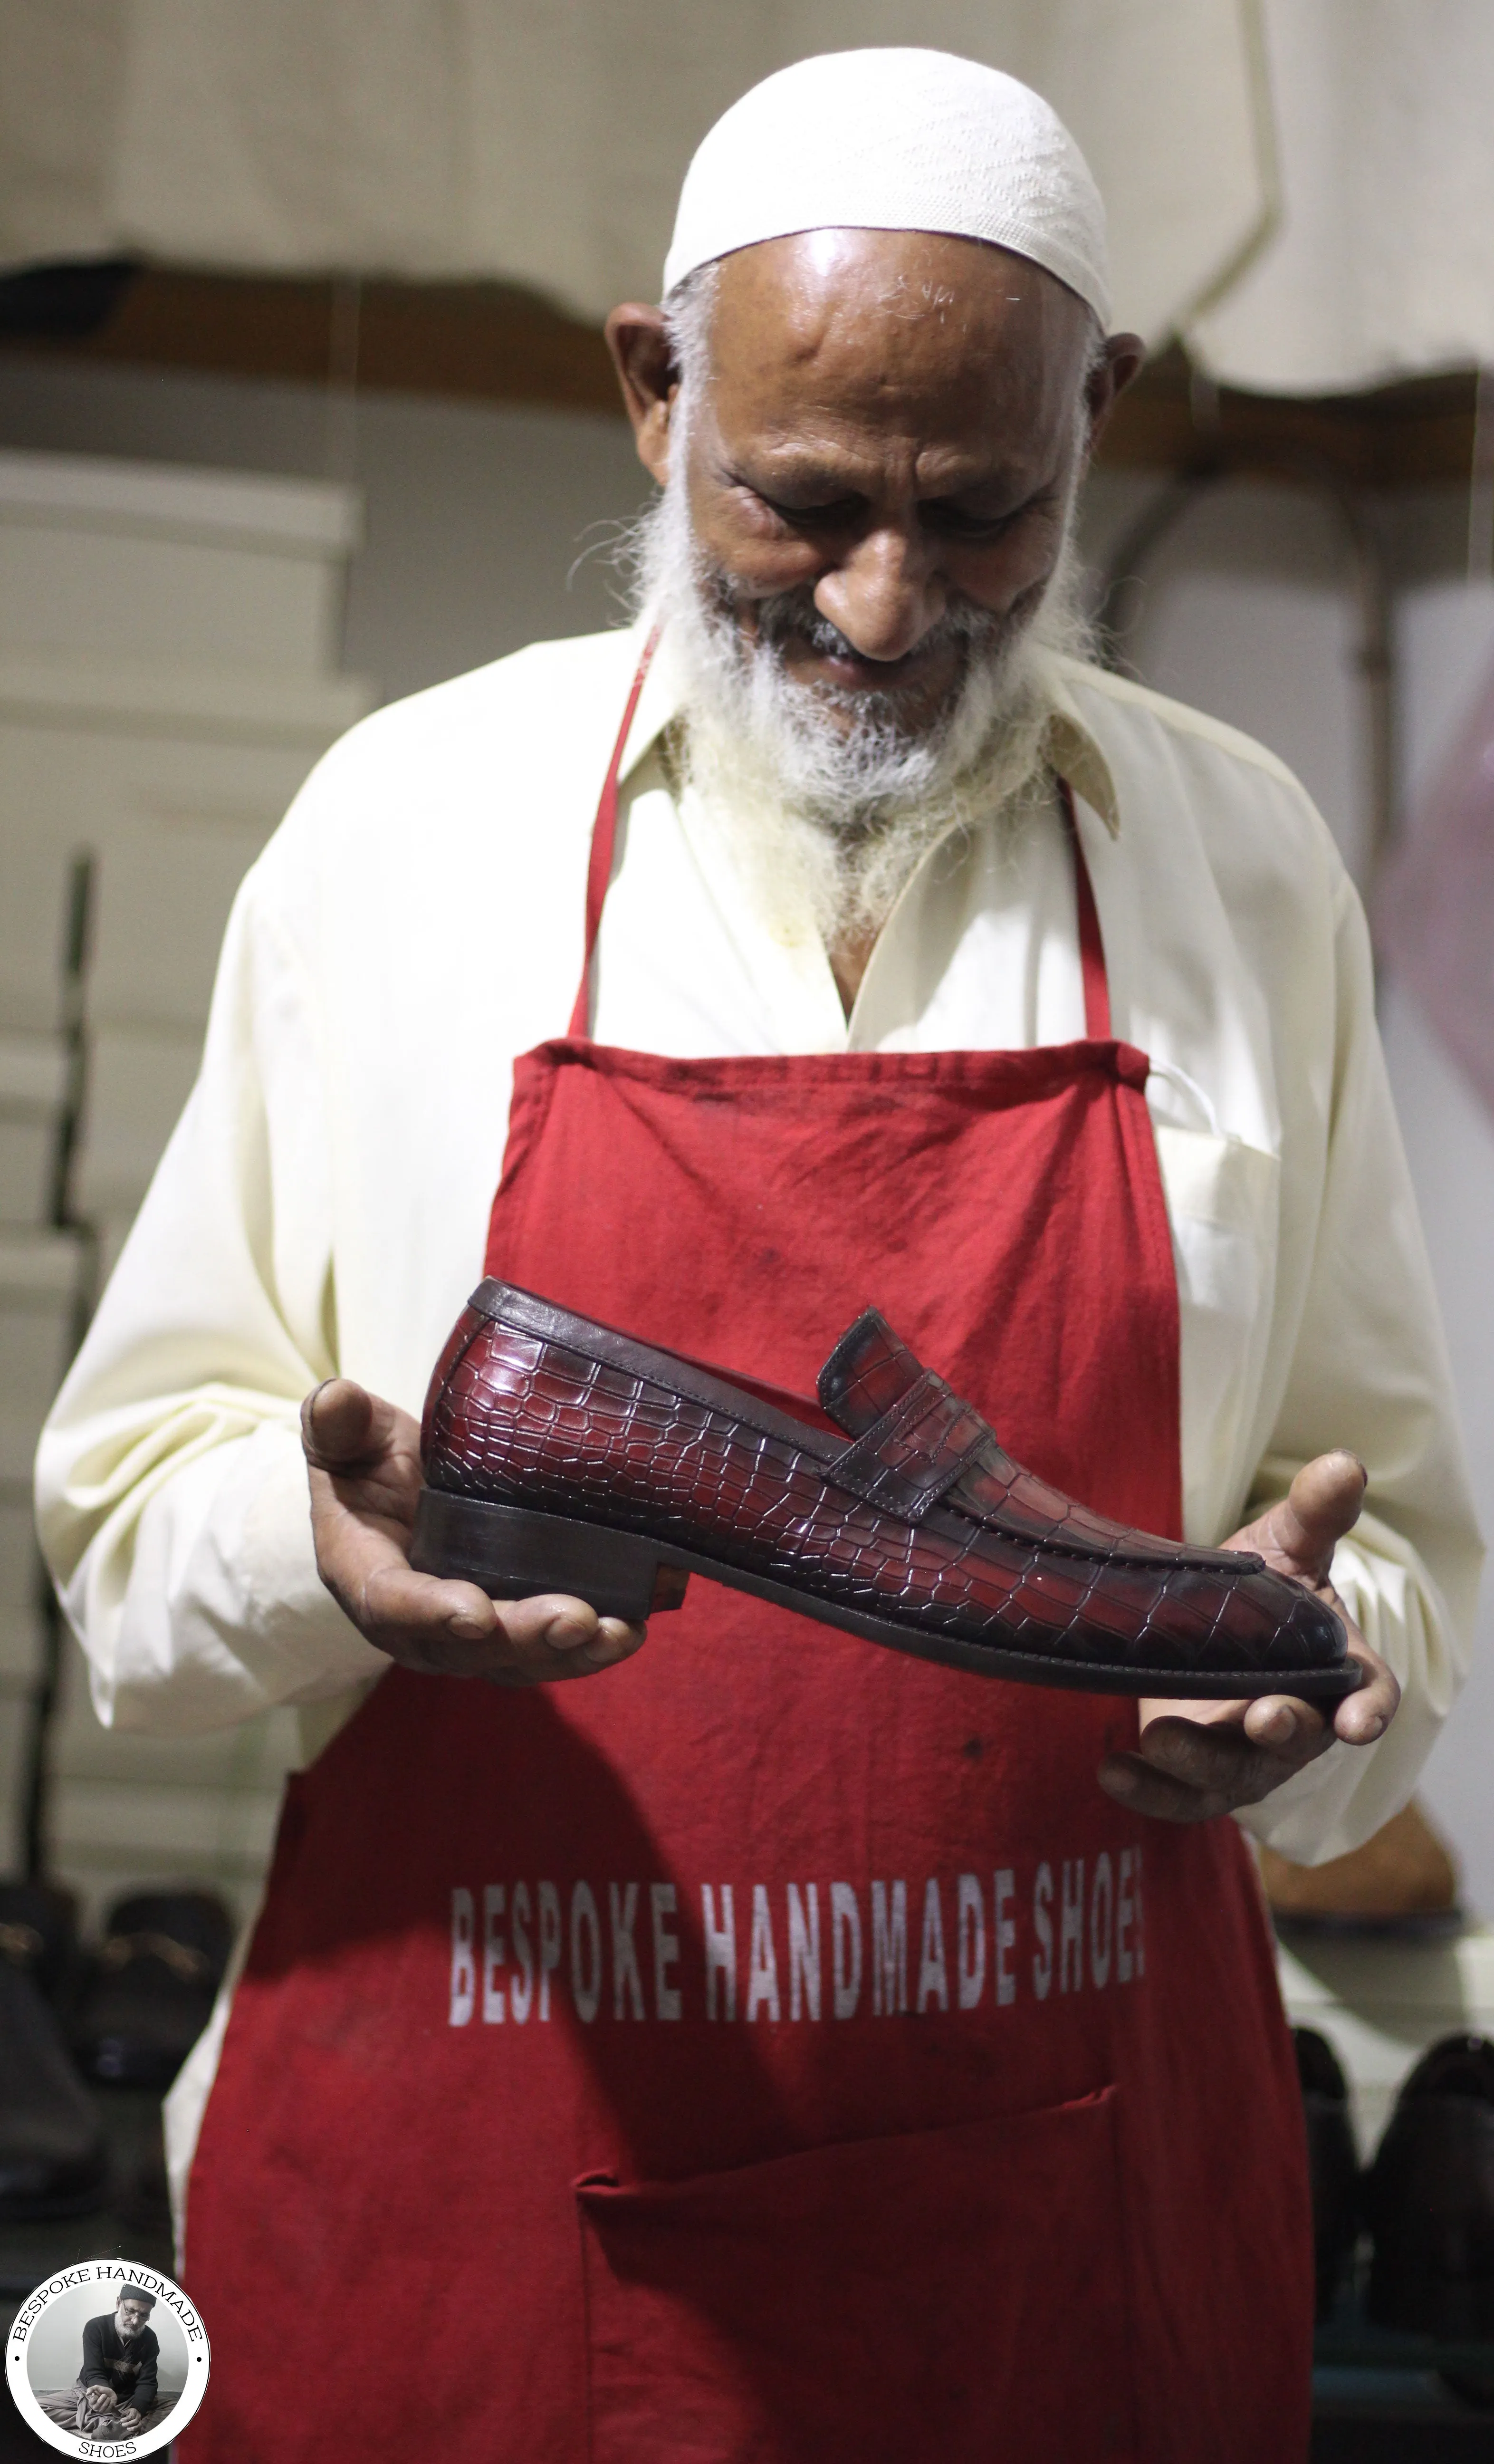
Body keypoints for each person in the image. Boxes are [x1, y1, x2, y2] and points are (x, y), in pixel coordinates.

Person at [35, 46, 1481, 2464]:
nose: (884, 601)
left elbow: (1404, 1560)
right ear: (646, 394)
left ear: (1097, 417)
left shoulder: (1234, 868)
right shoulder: (407, 829)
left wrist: (1321, 1696)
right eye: (798, 503)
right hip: (475, 2200)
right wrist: (312, 1541)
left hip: (1072, 2246)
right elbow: (116, 1536)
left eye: (982, 510)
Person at [37, 2287, 170, 2439]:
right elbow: (93, 2372)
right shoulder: (96, 2327)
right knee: (33, 2408)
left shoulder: (150, 2339)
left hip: (128, 2400)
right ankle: (109, 2424)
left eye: (144, 2315)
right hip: (91, 2394)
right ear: (119, 2303)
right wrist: (101, 2393)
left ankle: (113, 2423)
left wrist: (138, 2410)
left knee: (179, 2410)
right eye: (130, 2311)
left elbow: (148, 2382)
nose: (135, 2321)